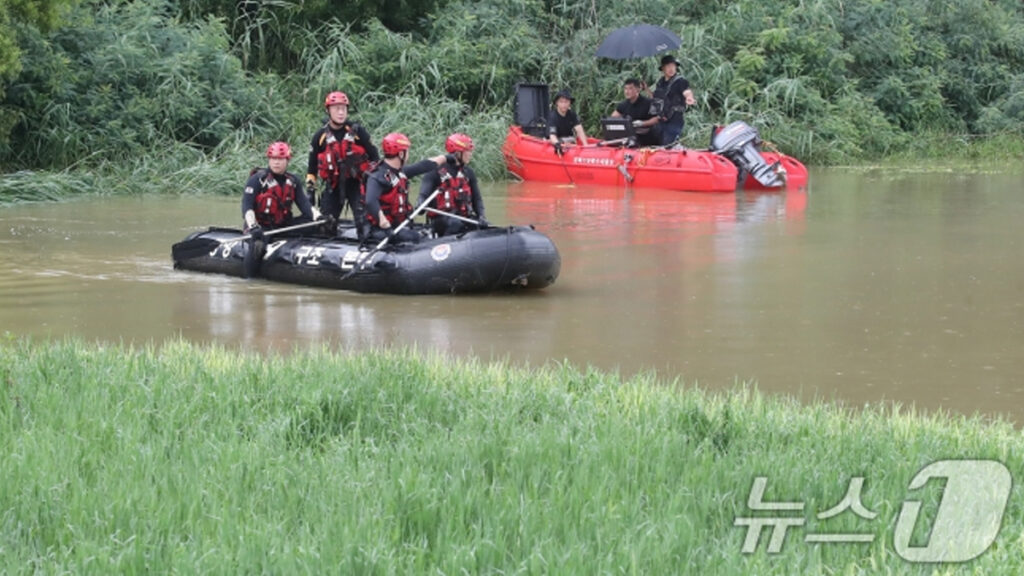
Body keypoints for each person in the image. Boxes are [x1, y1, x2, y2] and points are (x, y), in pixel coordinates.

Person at [305, 91, 380, 237]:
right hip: (333, 185)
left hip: (356, 183)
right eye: (336, 108)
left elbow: (375, 158)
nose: (341, 112)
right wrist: (310, 190)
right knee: (325, 225)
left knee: (364, 223)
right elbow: (312, 168)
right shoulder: (319, 136)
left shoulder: (358, 132)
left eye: (343, 109)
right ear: (328, 111)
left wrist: (374, 184)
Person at [363, 132, 453, 245]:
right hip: (379, 231)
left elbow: (422, 166)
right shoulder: (377, 177)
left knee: (422, 234)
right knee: (418, 239)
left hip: (397, 226)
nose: (408, 154)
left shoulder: (399, 172)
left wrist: (444, 158)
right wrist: (385, 226)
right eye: (407, 151)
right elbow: (370, 202)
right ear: (401, 154)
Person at [242, 141, 319, 238]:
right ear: (269, 160)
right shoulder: (257, 180)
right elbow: (247, 206)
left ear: (287, 160)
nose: (276, 162)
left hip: (283, 227)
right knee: (258, 244)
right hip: (261, 227)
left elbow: (305, 205)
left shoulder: (293, 181)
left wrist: (319, 217)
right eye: (273, 158)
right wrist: (253, 227)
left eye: (280, 159)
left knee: (313, 224)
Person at [418, 133, 488, 237]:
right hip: (441, 220)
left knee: (486, 227)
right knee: (455, 224)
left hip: (463, 217)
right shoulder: (434, 171)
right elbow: (423, 194)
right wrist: (420, 204)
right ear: (457, 153)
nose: (470, 154)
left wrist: (482, 216)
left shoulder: (468, 173)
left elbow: (477, 199)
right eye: (467, 151)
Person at [650, 54, 696, 146]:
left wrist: (689, 97)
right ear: (663, 68)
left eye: (673, 66)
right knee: (656, 145)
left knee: (668, 145)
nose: (671, 69)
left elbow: (686, 91)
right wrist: (646, 89)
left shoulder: (680, 81)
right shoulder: (660, 82)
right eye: (668, 66)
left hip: (674, 120)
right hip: (661, 120)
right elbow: (657, 98)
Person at [611, 78, 660, 147]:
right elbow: (612, 118)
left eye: (630, 89)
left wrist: (642, 123)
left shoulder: (648, 103)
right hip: (630, 136)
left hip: (648, 137)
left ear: (638, 89)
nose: (627, 92)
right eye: (625, 89)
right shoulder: (623, 104)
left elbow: (657, 119)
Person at [546, 88, 588, 155]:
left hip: (569, 140)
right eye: (561, 102)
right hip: (558, 141)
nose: (564, 104)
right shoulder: (552, 117)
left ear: (569, 103)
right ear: (557, 103)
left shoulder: (572, 114)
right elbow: (552, 135)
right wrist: (557, 144)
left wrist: (586, 146)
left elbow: (579, 129)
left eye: (566, 102)